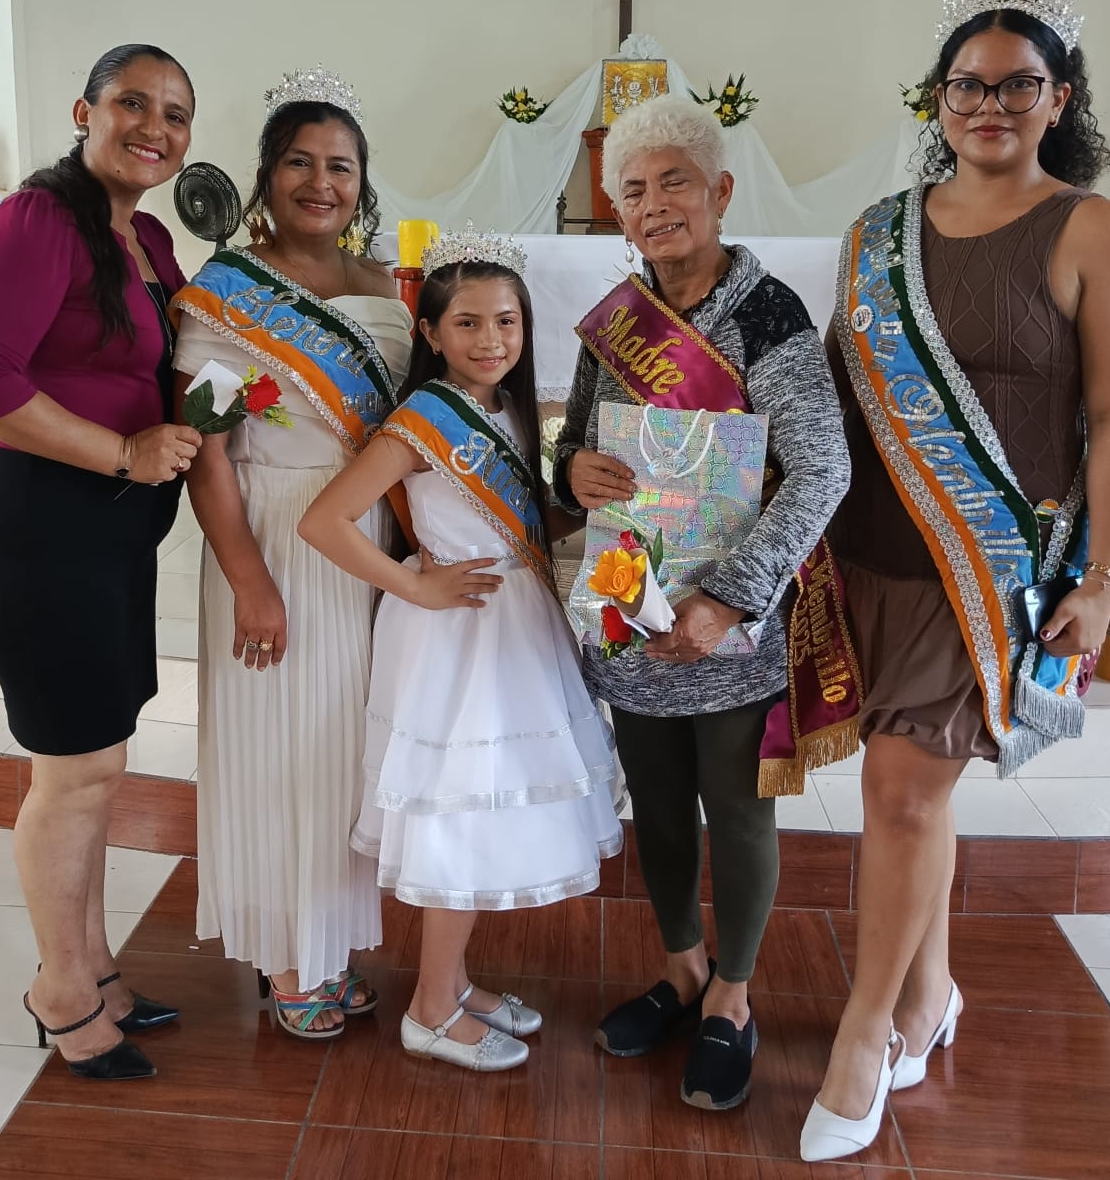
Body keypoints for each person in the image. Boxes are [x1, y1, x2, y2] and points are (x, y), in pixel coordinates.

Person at [806, 0, 1110, 1161]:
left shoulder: (1095, 231)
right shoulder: (877, 232)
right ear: (936, 97)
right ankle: (927, 994)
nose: (989, 104)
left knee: (900, 794)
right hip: (863, 555)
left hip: (983, 573)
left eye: (1018, 84)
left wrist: (1101, 582)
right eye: (966, 83)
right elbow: (837, 393)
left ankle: (863, 1031)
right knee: (915, 794)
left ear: (1059, 98)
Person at [550, 93, 855, 1111]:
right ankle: (681, 967)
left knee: (734, 807)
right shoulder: (616, 321)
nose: (654, 204)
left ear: (719, 190)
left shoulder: (768, 314)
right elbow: (572, 446)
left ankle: (732, 993)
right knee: (657, 802)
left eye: (674, 181)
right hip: (631, 611)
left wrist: (729, 600)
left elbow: (821, 469)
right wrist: (574, 470)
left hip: (732, 621)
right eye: (633, 189)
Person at [299, 230, 622, 1071]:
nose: (490, 339)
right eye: (468, 323)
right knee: (462, 815)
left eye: (506, 321)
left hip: (515, 621)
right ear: (431, 334)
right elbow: (324, 522)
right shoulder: (422, 419)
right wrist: (415, 587)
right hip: (457, 635)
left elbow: (527, 519)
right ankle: (430, 1009)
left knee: (491, 806)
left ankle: (456, 982)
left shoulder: (510, 407)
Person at [0, 43, 200, 1081]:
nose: (155, 127)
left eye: (175, 113)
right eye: (133, 102)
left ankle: (95, 969)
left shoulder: (146, 237)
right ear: (84, 111)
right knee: (73, 775)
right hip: (38, 536)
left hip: (106, 542)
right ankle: (59, 990)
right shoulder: (39, 220)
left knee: (98, 769)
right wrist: (124, 455)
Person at [172, 69, 410, 1039]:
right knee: (272, 747)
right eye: (300, 163)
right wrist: (249, 580)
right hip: (267, 531)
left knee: (340, 750)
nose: (321, 183)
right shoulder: (230, 293)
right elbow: (206, 449)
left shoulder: (386, 287)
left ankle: (330, 943)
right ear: (267, 175)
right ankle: (285, 958)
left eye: (340, 167)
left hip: (363, 540)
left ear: (361, 182)